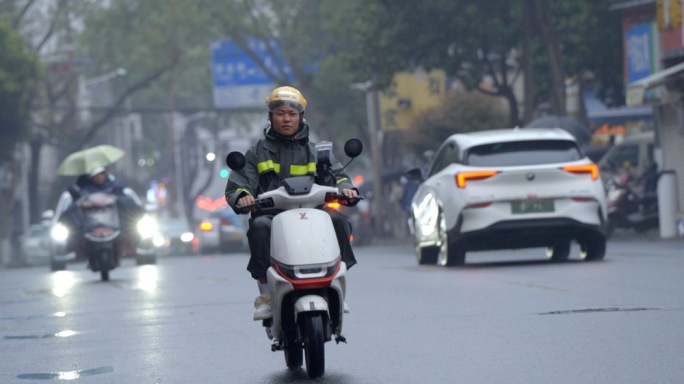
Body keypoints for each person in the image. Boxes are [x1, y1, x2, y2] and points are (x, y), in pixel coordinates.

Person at [224, 86, 359, 321]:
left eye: (292, 114)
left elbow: (340, 176)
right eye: (280, 113)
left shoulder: (317, 152)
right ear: (270, 116)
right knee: (258, 228)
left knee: (339, 222)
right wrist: (242, 197)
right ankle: (266, 294)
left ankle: (337, 282)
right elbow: (239, 185)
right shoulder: (256, 153)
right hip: (272, 216)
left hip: (313, 214)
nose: (286, 119)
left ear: (300, 117)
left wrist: (347, 189)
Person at [61, 166, 144, 260]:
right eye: (96, 175)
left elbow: (129, 204)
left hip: (115, 223)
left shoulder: (114, 187)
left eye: (101, 174)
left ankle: (129, 247)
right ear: (92, 177)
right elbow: (72, 210)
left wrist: (115, 199)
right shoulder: (84, 190)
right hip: (90, 225)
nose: (99, 177)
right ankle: (77, 250)